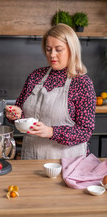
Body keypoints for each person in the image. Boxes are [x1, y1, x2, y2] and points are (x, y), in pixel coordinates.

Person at [6, 23, 96, 159]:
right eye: (48, 49)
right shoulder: (35, 76)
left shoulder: (82, 83)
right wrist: (16, 115)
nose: (52, 55)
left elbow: (85, 132)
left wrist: (51, 132)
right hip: (31, 158)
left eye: (58, 49)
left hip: (66, 162)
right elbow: (22, 114)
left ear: (71, 50)